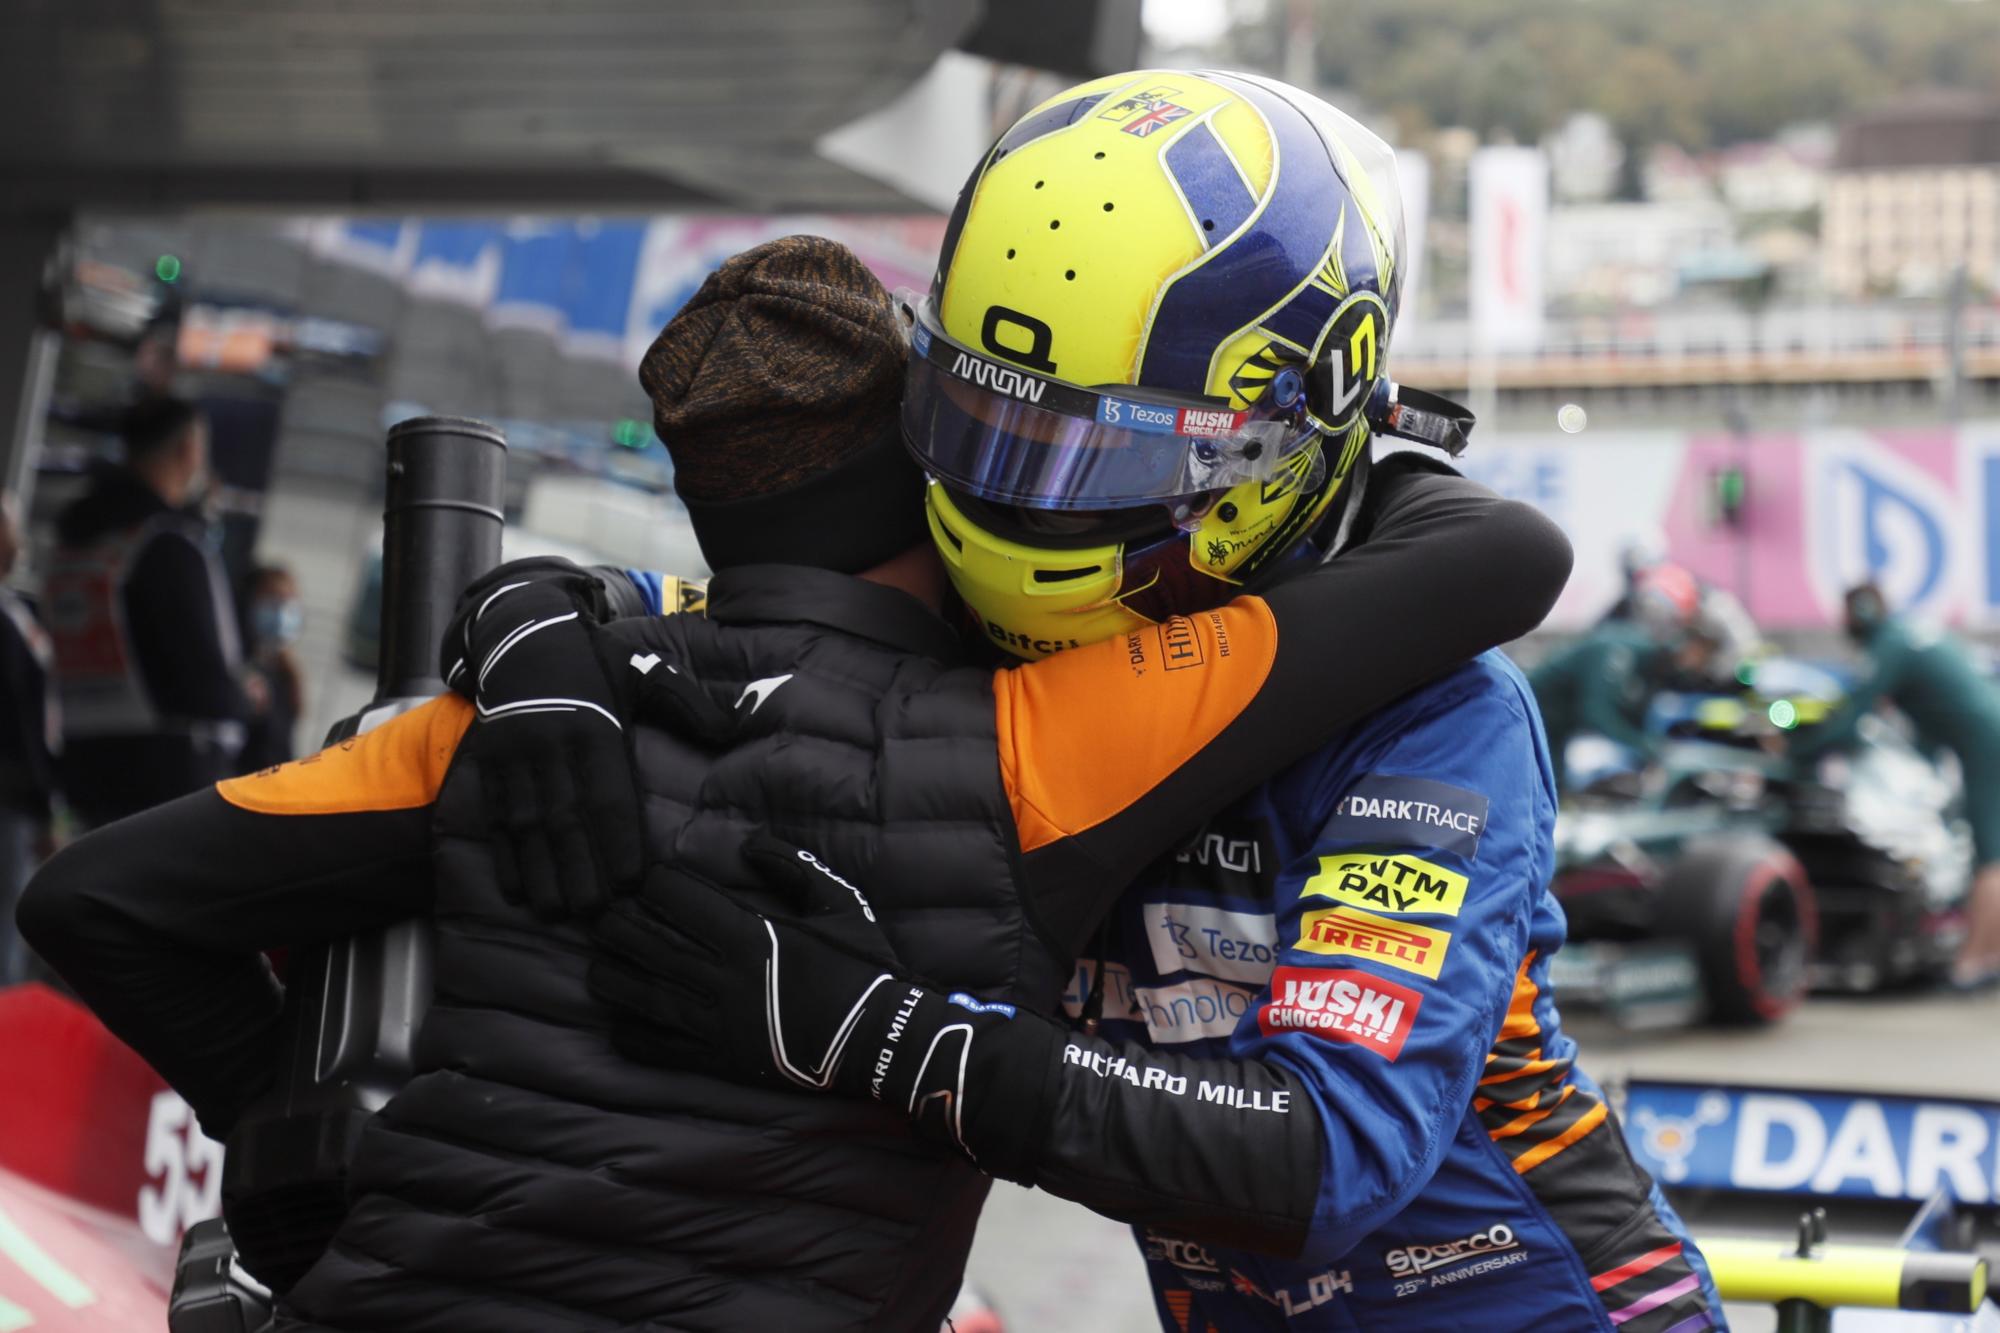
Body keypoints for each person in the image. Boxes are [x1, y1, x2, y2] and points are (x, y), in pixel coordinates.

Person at [20, 227, 1571, 1331]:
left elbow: (94, 898)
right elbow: (1493, 555)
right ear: (931, 452)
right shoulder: (1044, 734)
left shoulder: (521, 719)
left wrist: (305, 1127)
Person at [585, 72, 1720, 1332]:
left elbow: (1323, 1154)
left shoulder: (1434, 712)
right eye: (985, 434)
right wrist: (537, 623)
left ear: (1292, 426)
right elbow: (731, 613)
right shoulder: (981, 634)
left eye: (1102, 454)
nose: (1025, 504)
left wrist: (884, 1035)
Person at [42, 395, 249, 825]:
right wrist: (246, 699)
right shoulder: (168, 545)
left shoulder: (78, 542)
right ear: (189, 449)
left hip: (86, 766)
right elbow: (203, 681)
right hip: (170, 781)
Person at [1790, 582, 2000, 988]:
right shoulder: (1913, 634)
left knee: (1991, 858)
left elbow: (1854, 719)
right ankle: (1985, 957)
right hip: (1984, 740)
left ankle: (1971, 966)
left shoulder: (1891, 645)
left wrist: (1799, 750)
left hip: (1987, 747)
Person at [1529, 564, 1699, 792]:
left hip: (1553, 730)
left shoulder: (1639, 657)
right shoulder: (1618, 649)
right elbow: (1597, 712)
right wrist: (1647, 748)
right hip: (1532, 724)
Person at [0, 494, 59, 985]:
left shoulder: (17, 615)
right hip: (9, 803)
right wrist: (42, 810)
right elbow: (23, 723)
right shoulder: (9, 624)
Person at [237, 564, 305, 772]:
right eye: (272, 601)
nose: (282, 613)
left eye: (288, 602)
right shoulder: (239, 666)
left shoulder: (286, 674)